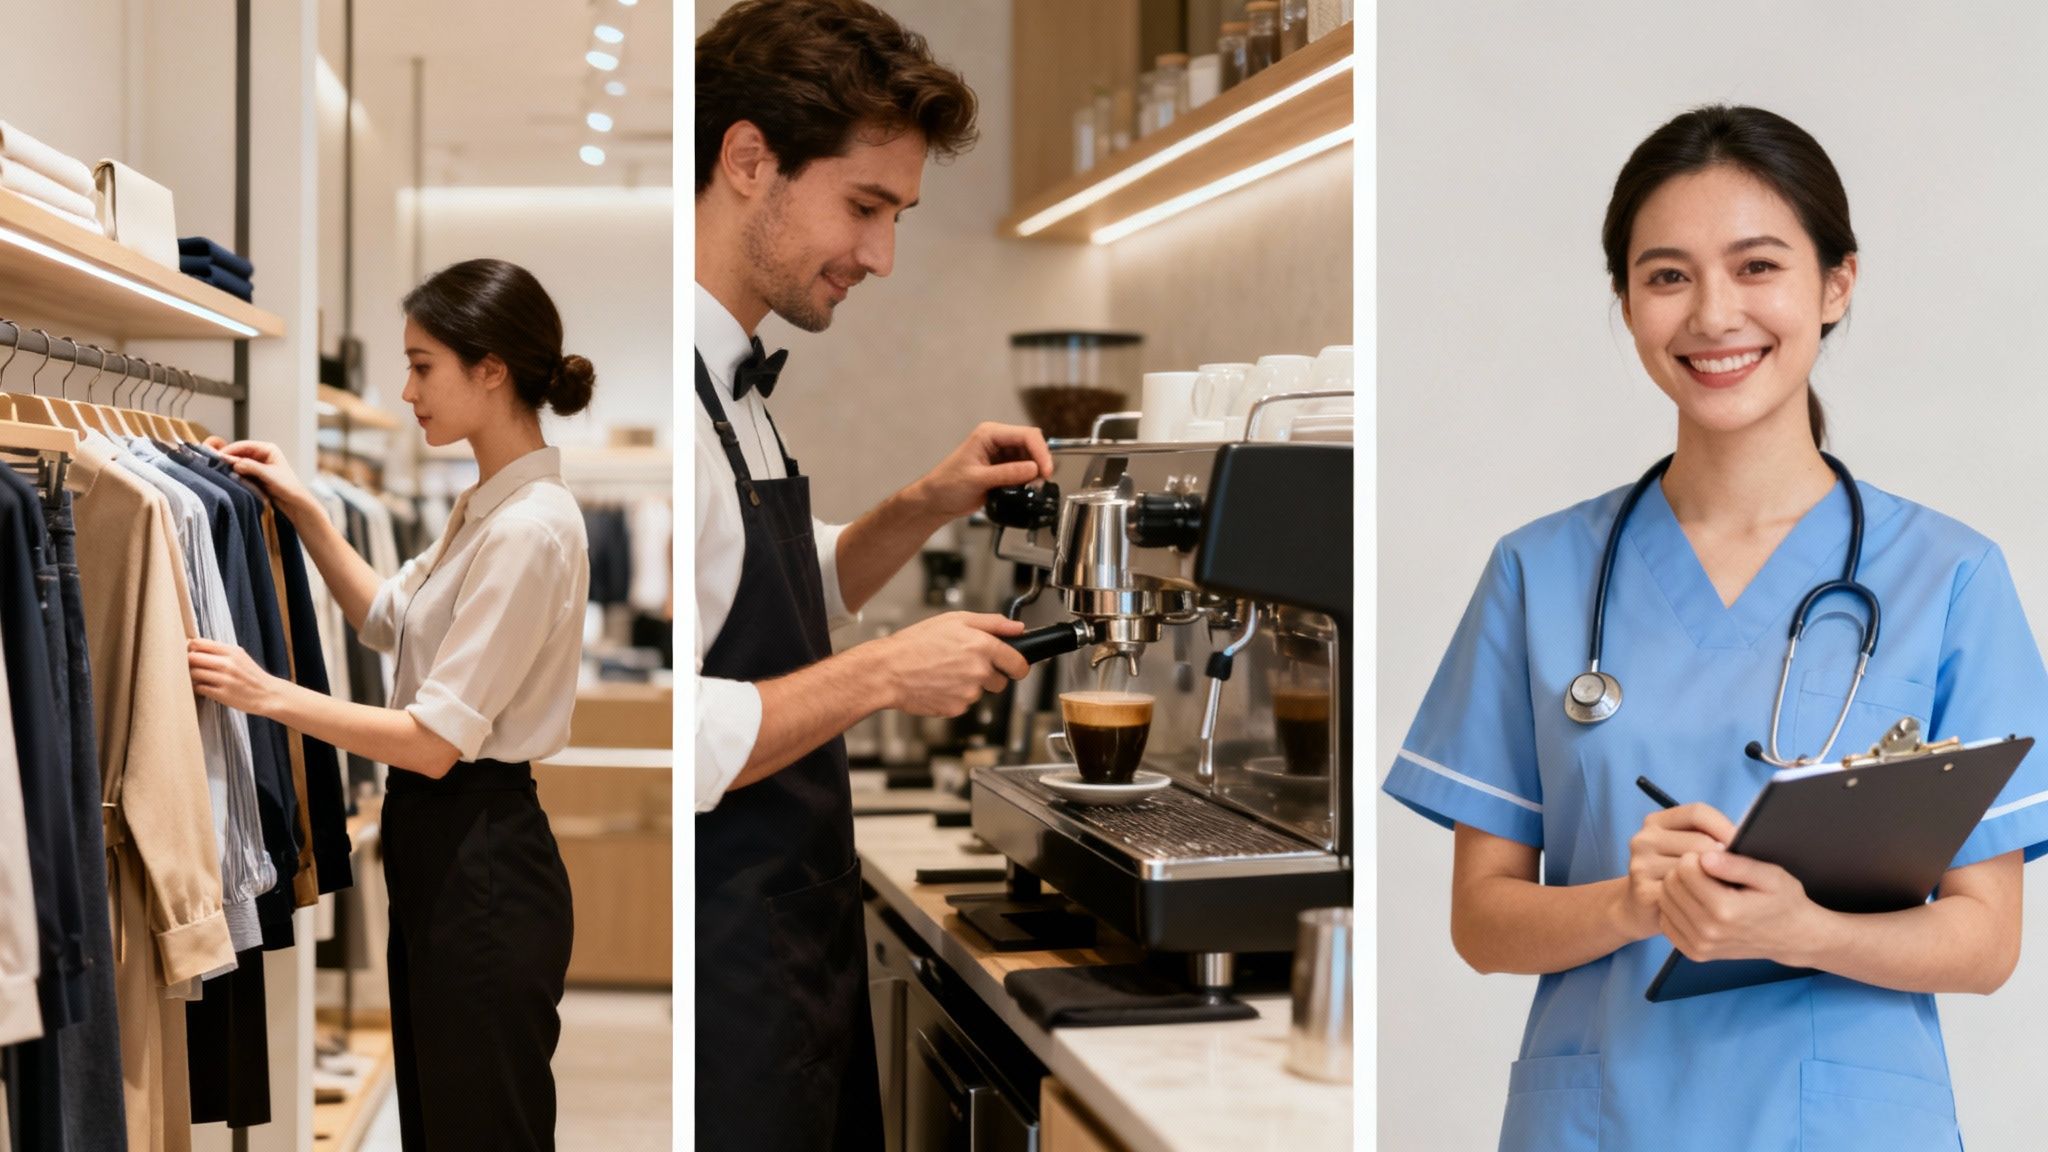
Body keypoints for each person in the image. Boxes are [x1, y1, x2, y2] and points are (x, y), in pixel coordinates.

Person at [1383, 105, 2048, 1150]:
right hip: (1599, 1122)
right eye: (1666, 275)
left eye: (1755, 267)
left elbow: (1983, 942)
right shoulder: (1539, 573)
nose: (1711, 315)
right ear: (1624, 299)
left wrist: (1804, 931)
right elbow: (1481, 922)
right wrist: (1631, 905)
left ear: (1834, 284)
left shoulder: (1948, 578)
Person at [693, 1, 1049, 1147]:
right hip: (722, 960)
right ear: (749, 161)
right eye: (864, 207)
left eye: (895, 215)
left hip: (787, 927)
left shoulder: (733, 383)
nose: (881, 257)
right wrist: (886, 673)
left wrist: (923, 502)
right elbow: (679, 725)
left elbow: (771, 587)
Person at [186, 258, 590, 1151]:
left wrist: (268, 694)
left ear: (491, 369)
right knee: (447, 1116)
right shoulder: (487, 507)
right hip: (445, 845)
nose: (406, 390)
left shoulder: (529, 529)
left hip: (480, 846)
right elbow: (389, 620)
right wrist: (305, 510)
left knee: (482, 1125)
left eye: (423, 366)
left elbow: (434, 742)